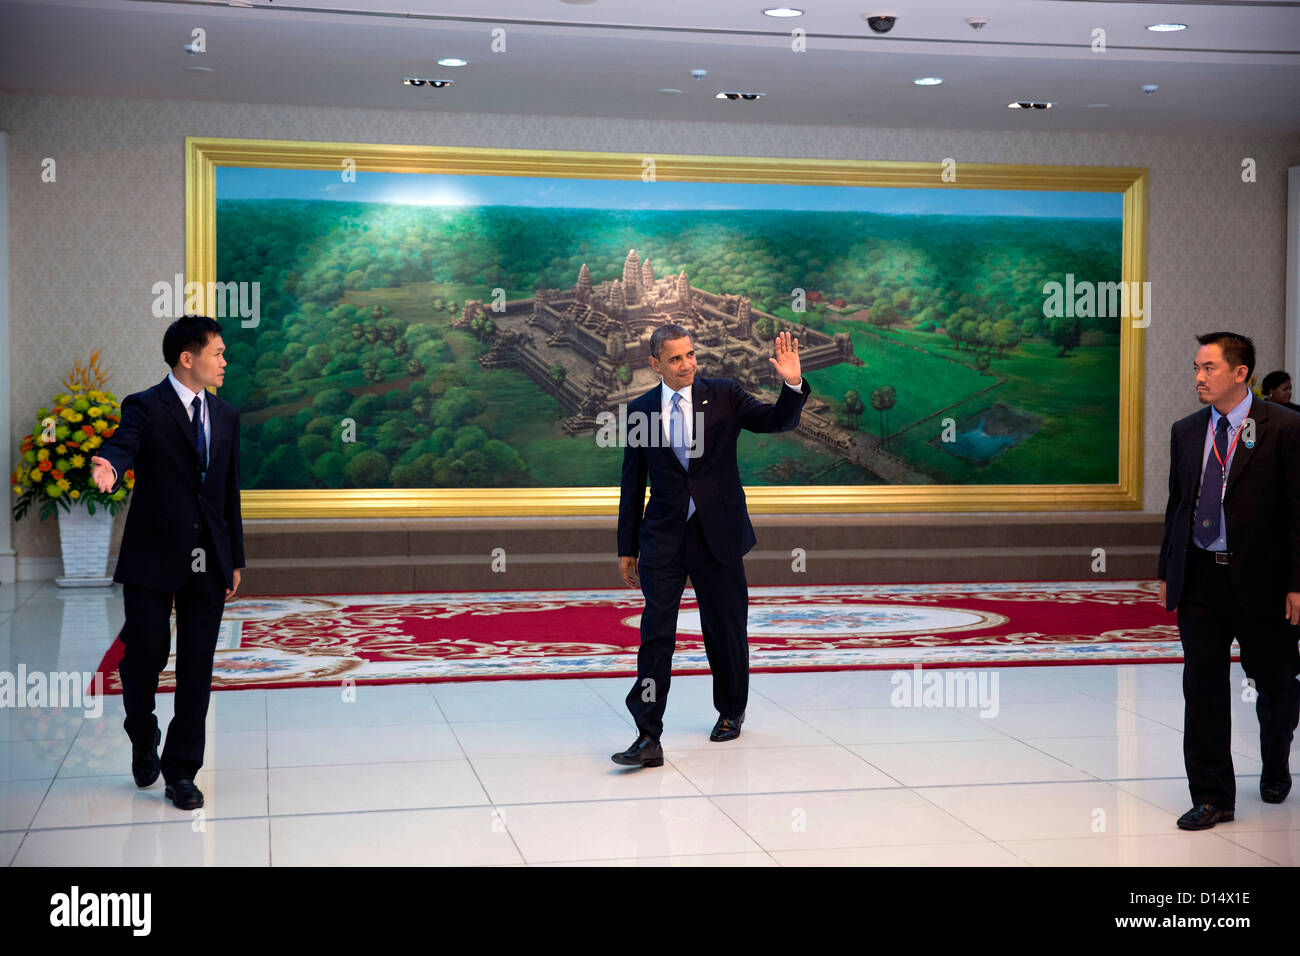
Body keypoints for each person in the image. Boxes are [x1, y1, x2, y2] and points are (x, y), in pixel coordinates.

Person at [612, 324, 809, 766]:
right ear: (655, 364)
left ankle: (731, 711)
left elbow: (775, 421)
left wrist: (792, 384)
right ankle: (648, 735)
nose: (687, 364)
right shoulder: (640, 410)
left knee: (724, 629)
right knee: (655, 637)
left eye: (691, 355)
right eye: (676, 358)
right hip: (662, 539)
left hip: (717, 533)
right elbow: (632, 483)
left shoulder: (724, 394)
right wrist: (627, 547)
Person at [90, 315, 245, 811]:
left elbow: (227, 492)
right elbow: (124, 443)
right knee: (144, 660)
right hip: (152, 556)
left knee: (197, 667)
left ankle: (181, 771)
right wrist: (109, 463)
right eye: (217, 353)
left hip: (209, 560)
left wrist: (233, 556)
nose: (224, 361)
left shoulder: (225, 415)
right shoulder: (145, 406)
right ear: (188, 357)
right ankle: (141, 733)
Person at [1157, 331, 1300, 830]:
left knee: (1277, 683)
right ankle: (1214, 796)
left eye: (1209, 368)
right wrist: (1167, 571)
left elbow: (1298, 512)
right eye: (1196, 368)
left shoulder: (1284, 427)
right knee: (1203, 688)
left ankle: (1277, 761)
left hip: (1264, 582)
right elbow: (1179, 506)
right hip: (1200, 579)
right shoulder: (1186, 430)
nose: (1199, 377)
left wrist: (1297, 583)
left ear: (1241, 373)